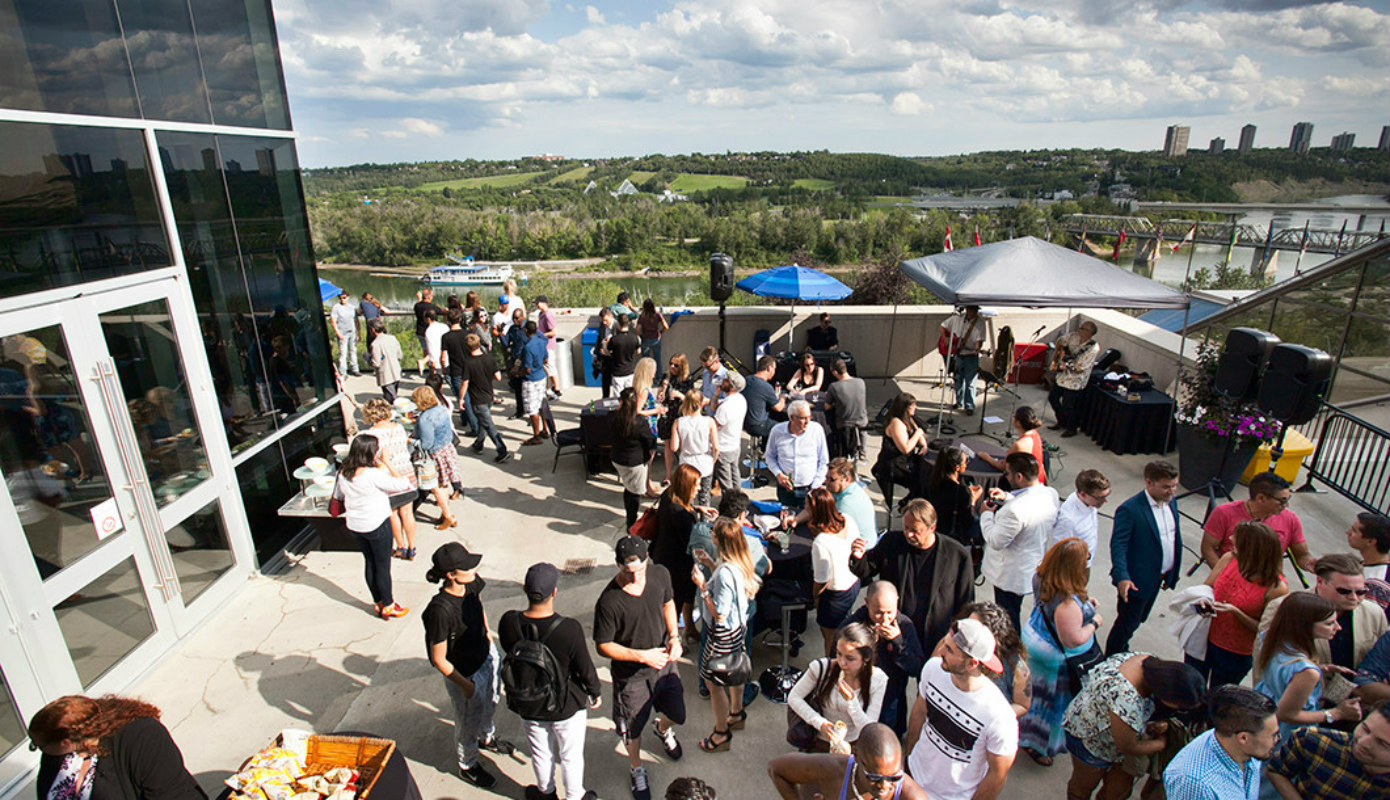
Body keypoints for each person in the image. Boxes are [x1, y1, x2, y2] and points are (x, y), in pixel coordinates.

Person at [594, 536, 686, 800]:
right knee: (632, 731)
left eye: (639, 569)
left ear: (648, 560)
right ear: (618, 566)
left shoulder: (660, 574)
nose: (635, 578)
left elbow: (668, 604)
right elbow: (604, 645)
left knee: (677, 714)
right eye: (627, 571)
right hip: (631, 678)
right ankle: (636, 768)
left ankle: (663, 728)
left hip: (664, 665)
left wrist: (674, 637)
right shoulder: (609, 601)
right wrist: (642, 656)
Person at [499, 563, 602, 800]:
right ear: (554, 592)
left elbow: (509, 649)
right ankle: (575, 796)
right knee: (570, 755)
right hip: (566, 704)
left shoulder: (509, 622)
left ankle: (546, 793)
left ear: (525, 589)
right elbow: (584, 667)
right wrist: (594, 690)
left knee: (540, 752)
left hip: (529, 701)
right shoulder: (569, 629)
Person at [1061, 653, 1207, 800]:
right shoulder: (1127, 700)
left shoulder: (1146, 661)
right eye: (1180, 706)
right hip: (1091, 742)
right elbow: (1129, 746)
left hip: (1111, 731)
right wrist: (1161, 743)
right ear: (1166, 693)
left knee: (1117, 791)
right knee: (1082, 788)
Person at [424, 543, 508, 788]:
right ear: (450, 575)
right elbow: (439, 658)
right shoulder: (440, 610)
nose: (474, 569)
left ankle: (487, 737)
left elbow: (478, 604)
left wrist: (488, 636)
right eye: (467, 567)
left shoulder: (470, 583)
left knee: (492, 701)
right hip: (465, 673)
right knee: (467, 721)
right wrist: (466, 686)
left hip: (486, 656)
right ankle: (468, 764)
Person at [904, 618, 1017, 800]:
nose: (940, 651)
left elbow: (997, 775)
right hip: (912, 782)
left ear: (972, 663)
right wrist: (908, 763)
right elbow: (918, 713)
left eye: (949, 650)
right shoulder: (933, 669)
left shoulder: (999, 717)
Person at [1255, 554, 1388, 703]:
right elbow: (1263, 661)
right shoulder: (1285, 607)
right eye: (1344, 591)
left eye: (1361, 592)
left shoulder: (1374, 614)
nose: (1354, 598)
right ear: (1320, 582)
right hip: (1294, 703)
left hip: (1351, 706)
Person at [850, 498, 974, 654]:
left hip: (933, 638)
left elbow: (966, 602)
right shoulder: (892, 542)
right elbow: (866, 570)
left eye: (915, 530)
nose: (909, 534)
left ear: (932, 528)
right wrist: (857, 558)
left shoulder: (957, 555)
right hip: (895, 632)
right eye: (906, 527)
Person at [1020, 537, 1102, 766]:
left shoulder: (1041, 577)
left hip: (1035, 642)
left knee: (1031, 695)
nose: (1087, 562)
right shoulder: (1067, 603)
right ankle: (1036, 745)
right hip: (1053, 660)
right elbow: (1074, 639)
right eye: (1084, 559)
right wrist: (1094, 621)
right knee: (1046, 704)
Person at [28, 695, 206, 800]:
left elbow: (173, 796)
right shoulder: (57, 758)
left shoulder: (142, 737)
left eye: (38, 745)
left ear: (65, 742)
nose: (38, 749)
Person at [690, 517, 760, 753]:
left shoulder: (723, 573)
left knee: (714, 683)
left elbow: (719, 613)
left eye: (713, 532)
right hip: (738, 629)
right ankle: (737, 713)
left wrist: (702, 586)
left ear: (718, 540)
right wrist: (711, 564)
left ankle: (721, 732)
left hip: (720, 634)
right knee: (734, 671)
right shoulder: (739, 562)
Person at [1255, 591, 1364, 741]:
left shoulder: (1272, 637)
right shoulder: (1306, 672)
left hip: (1261, 716)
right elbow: (1287, 714)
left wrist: (1320, 668)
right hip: (1285, 735)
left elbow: (1281, 672)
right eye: (1329, 623)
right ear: (1304, 626)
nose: (1338, 627)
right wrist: (1336, 713)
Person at [1192, 520, 1289, 688]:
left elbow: (1267, 630)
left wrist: (1236, 612)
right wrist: (1203, 600)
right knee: (1191, 686)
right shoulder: (1229, 558)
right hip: (1204, 636)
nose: (1230, 539)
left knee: (1219, 695)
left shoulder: (1276, 588)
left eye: (1237, 540)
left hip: (1235, 652)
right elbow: (1208, 587)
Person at [1106, 460, 1183, 656]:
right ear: (1149, 483)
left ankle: (1122, 650)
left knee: (1138, 620)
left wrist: (1172, 573)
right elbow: (1118, 546)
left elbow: (1173, 538)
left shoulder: (1171, 502)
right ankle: (1113, 657)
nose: (1172, 491)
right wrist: (1123, 577)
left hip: (1158, 578)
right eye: (1166, 486)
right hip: (1136, 582)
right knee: (1126, 624)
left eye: (1174, 485)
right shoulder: (1130, 510)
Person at [980, 452, 1061, 632]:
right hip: (1030, 567)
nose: (1006, 476)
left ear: (1019, 476)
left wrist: (985, 514)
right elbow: (1030, 504)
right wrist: (1008, 498)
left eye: (1007, 473)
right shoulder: (1050, 493)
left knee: (1007, 618)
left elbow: (995, 540)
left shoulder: (1015, 511)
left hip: (1010, 575)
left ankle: (1010, 652)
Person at [338, 434, 411, 619]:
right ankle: (388, 604)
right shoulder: (373, 474)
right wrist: (387, 463)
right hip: (376, 523)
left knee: (370, 562)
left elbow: (339, 495)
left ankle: (378, 601)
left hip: (355, 524)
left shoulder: (344, 472)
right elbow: (403, 484)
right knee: (382, 566)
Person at [1162, 686, 1279, 800]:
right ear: (1243, 738)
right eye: (1273, 736)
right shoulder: (1195, 784)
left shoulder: (1250, 751)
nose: (1277, 739)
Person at [788, 622, 888, 752]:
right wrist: (821, 723)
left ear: (866, 659)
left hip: (853, 746)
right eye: (839, 654)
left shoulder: (877, 680)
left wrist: (852, 701)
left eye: (850, 658)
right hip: (819, 742)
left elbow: (868, 728)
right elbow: (794, 697)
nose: (842, 663)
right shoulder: (821, 669)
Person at [1264, 698, 1390, 800]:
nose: (1363, 742)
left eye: (1382, 743)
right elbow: (1275, 770)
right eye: (1365, 729)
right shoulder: (1314, 740)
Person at [768, 722, 933, 800]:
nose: (884, 785)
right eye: (874, 777)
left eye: (894, 777)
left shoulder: (912, 797)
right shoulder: (832, 769)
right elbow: (776, 769)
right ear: (856, 757)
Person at [847, 581, 926, 735]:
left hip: (890, 699)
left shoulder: (904, 625)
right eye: (879, 613)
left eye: (890, 612)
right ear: (867, 603)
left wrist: (898, 642)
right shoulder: (855, 624)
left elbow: (917, 668)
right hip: (860, 694)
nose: (884, 619)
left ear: (897, 602)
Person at [1201, 472, 1313, 572]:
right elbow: (1208, 548)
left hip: (1267, 583)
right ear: (1261, 498)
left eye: (1288, 499)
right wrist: (1223, 577)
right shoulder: (1224, 513)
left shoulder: (1290, 519)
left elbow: (1302, 555)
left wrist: (1310, 564)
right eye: (1282, 501)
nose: (1286, 505)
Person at [652, 464, 707, 644]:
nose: (699, 488)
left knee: (687, 594)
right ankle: (672, 639)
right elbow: (691, 542)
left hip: (663, 554)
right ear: (686, 486)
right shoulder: (681, 515)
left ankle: (689, 628)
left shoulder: (668, 496)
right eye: (696, 485)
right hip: (676, 564)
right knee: (674, 603)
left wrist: (697, 509)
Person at [358, 399, 418, 560]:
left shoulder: (369, 434)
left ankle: (401, 546)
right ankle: (412, 546)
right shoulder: (398, 427)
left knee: (393, 514)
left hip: (386, 478)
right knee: (408, 513)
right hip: (407, 474)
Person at [809, 486, 862, 655]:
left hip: (835, 595)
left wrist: (814, 597)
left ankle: (830, 670)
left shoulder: (821, 542)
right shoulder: (847, 519)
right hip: (854, 583)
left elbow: (821, 579)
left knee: (831, 640)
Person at [795, 457, 878, 549]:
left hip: (861, 551)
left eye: (832, 479)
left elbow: (830, 534)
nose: (826, 482)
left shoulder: (846, 505)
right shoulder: (839, 490)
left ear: (846, 479)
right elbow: (815, 507)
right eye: (826, 478)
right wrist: (797, 519)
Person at [412, 385, 461, 529]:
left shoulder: (425, 419)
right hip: (446, 449)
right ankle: (445, 512)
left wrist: (411, 440)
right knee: (443, 483)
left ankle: (448, 515)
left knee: (435, 487)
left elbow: (426, 444)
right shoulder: (441, 409)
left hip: (434, 456)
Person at [766, 399, 829, 510]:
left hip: (809, 488)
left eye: (809, 417)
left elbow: (823, 461)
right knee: (786, 518)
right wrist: (778, 474)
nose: (807, 422)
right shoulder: (777, 431)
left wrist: (815, 486)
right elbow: (770, 456)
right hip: (785, 488)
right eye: (803, 418)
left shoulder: (816, 430)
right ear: (791, 417)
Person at [925, 444, 983, 559]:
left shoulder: (932, 481)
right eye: (965, 462)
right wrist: (973, 501)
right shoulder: (961, 492)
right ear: (957, 467)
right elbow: (968, 521)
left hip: (935, 530)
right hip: (952, 538)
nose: (966, 464)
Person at [872, 393, 927, 513]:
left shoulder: (908, 418)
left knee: (927, 476)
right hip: (893, 465)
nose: (915, 408)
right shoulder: (896, 423)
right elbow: (905, 448)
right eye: (912, 406)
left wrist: (923, 444)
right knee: (922, 482)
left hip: (905, 461)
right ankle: (907, 505)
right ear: (904, 407)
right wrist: (917, 435)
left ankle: (907, 502)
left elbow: (918, 431)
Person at [612, 388, 658, 528]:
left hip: (617, 459)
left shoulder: (613, 417)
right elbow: (650, 440)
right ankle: (631, 523)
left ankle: (630, 518)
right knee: (634, 493)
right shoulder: (639, 422)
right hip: (635, 463)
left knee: (629, 488)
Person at [460, 332, 509, 463]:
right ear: (479, 344)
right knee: (484, 422)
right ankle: (478, 444)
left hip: (477, 398)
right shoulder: (490, 358)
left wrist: (460, 399)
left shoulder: (468, 363)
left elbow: (465, 383)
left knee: (488, 425)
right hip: (489, 396)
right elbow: (498, 377)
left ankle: (502, 449)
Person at [1046, 319, 1099, 437]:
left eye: (1082, 328)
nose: (1079, 329)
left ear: (1089, 332)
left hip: (1076, 379)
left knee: (1068, 405)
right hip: (1062, 376)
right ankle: (1061, 421)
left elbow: (1081, 368)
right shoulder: (1073, 336)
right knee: (1053, 398)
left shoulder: (1093, 348)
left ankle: (1071, 427)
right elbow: (1060, 342)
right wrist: (1056, 357)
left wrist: (1067, 366)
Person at [1049, 468, 1110, 567]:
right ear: (1083, 494)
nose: (1105, 501)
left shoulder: (1089, 502)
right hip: (1073, 569)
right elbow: (1060, 551)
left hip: (1086, 561)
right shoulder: (1068, 519)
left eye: (1106, 495)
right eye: (1100, 498)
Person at [978, 406, 1048, 487]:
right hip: (1038, 478)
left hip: (1028, 484)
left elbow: (1003, 466)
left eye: (1014, 416)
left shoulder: (1020, 444)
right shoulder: (1034, 433)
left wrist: (987, 457)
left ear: (1018, 422)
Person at [670, 391, 718, 507]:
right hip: (705, 462)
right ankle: (704, 521)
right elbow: (716, 447)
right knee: (705, 497)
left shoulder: (678, 422)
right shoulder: (709, 421)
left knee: (686, 496)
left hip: (687, 462)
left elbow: (673, 447)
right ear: (701, 403)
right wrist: (714, 459)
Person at [940, 305, 987, 415]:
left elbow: (979, 340)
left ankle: (969, 405)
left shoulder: (980, 323)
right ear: (967, 310)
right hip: (957, 354)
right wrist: (945, 338)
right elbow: (943, 326)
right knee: (958, 379)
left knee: (970, 381)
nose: (972, 312)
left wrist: (977, 349)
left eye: (974, 310)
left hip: (970, 355)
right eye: (970, 310)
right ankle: (959, 401)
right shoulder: (957, 318)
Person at [824, 358, 867, 459]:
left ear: (834, 372)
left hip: (845, 425)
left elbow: (827, 406)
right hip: (862, 423)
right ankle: (863, 453)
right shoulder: (861, 382)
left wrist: (835, 403)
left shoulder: (834, 387)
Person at [711, 372, 746, 495]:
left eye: (726, 380)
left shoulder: (726, 407)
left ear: (732, 386)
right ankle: (738, 501)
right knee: (735, 476)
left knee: (726, 484)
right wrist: (716, 395)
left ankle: (731, 507)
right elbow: (714, 407)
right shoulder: (741, 399)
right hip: (735, 445)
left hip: (723, 448)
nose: (722, 381)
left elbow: (713, 426)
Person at [742, 355, 787, 440]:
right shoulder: (765, 386)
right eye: (774, 369)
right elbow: (779, 408)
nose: (774, 372)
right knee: (784, 429)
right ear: (769, 368)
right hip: (758, 425)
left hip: (744, 422)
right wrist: (782, 398)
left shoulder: (746, 379)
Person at [520, 320, 549, 446]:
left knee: (532, 408)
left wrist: (517, 373)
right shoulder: (542, 342)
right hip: (542, 377)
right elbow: (546, 359)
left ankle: (536, 436)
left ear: (526, 331)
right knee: (542, 403)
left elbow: (527, 369)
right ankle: (545, 429)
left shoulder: (527, 347)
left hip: (531, 380)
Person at [368, 319, 403, 402]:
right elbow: (400, 355)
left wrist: (368, 359)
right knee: (393, 396)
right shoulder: (392, 338)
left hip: (386, 376)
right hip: (396, 372)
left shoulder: (375, 344)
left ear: (372, 329)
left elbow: (376, 363)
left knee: (391, 400)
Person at [533, 295, 561, 399]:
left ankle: (557, 390)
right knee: (546, 368)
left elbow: (553, 332)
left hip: (548, 346)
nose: (536, 305)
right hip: (543, 345)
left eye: (537, 303)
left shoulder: (548, 315)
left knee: (551, 368)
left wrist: (540, 335)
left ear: (544, 303)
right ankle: (548, 389)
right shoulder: (541, 314)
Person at [1349, 512, 1390, 581]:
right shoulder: (1366, 563)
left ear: (1370, 541)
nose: (1348, 532)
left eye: (1354, 531)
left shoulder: (1378, 580)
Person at [505, 307, 529, 417]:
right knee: (517, 388)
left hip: (526, 361)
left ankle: (532, 413)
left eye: (517, 318)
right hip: (516, 361)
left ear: (522, 317)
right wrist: (501, 334)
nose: (515, 320)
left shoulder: (528, 329)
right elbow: (506, 342)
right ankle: (520, 410)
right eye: (513, 318)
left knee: (528, 388)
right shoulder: (512, 329)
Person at [332, 290, 361, 376]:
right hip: (342, 333)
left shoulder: (352, 307)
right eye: (340, 298)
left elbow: (356, 321)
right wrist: (338, 334)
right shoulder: (336, 308)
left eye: (344, 298)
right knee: (343, 353)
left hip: (352, 332)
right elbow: (333, 321)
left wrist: (359, 333)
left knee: (353, 351)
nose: (342, 300)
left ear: (348, 297)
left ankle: (355, 369)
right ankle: (343, 371)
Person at [610, 315, 642, 394]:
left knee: (618, 397)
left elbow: (607, 351)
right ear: (628, 323)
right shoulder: (634, 338)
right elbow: (638, 351)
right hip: (630, 371)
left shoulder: (614, 339)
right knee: (629, 396)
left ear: (618, 324)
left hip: (618, 372)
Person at [412, 287, 441, 367]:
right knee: (434, 350)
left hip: (420, 332)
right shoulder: (432, 307)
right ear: (429, 297)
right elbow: (441, 311)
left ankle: (428, 367)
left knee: (425, 351)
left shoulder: (417, 306)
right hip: (430, 332)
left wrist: (419, 298)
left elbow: (421, 305)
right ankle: (425, 363)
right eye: (432, 295)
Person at [637, 298, 668, 365]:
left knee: (645, 361)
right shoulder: (657, 315)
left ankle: (646, 375)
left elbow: (637, 329)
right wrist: (661, 332)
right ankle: (658, 375)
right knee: (657, 359)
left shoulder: (642, 316)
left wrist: (640, 335)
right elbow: (666, 326)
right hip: (656, 338)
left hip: (646, 338)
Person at [423, 307, 449, 374]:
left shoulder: (428, 331)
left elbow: (431, 350)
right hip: (448, 359)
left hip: (437, 363)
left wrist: (432, 365)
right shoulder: (444, 326)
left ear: (428, 319)